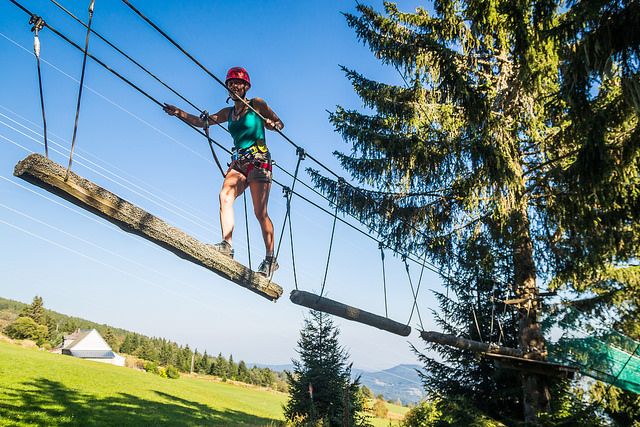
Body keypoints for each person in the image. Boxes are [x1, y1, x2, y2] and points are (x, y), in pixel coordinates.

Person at [163, 67, 283, 276]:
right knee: (224, 195)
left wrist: (272, 124)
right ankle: (227, 245)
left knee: (259, 212)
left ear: (246, 87)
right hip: (239, 162)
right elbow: (202, 122)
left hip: (258, 161)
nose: (233, 86)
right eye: (230, 83)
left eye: (238, 83)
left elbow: (278, 122)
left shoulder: (257, 104)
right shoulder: (228, 113)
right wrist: (178, 113)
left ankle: (270, 258)